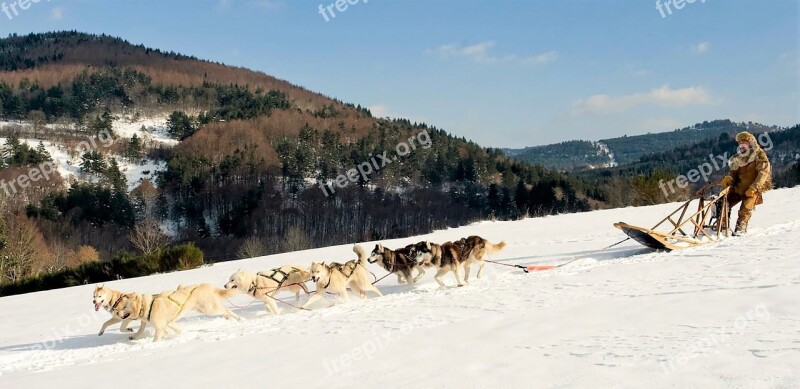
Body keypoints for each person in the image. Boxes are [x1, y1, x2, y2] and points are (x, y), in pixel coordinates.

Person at [720, 131, 772, 236]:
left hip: (752, 188)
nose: (741, 144)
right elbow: (734, 172)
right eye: (740, 142)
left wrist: (754, 188)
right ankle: (722, 228)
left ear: (751, 142)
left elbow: (763, 172)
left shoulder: (759, 154)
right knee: (722, 203)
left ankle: (740, 228)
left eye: (744, 141)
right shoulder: (738, 157)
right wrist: (729, 178)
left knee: (745, 209)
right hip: (738, 187)